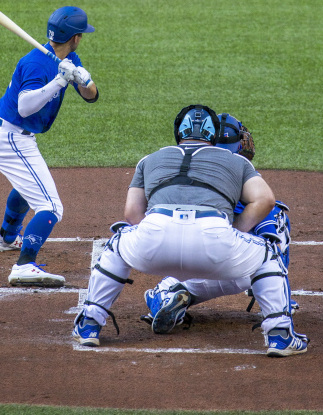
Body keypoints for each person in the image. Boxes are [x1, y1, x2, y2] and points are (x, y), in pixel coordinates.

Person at [72, 105, 308, 356]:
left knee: (117, 244)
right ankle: (280, 334)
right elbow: (266, 201)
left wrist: (157, 237)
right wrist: (235, 230)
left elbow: (131, 215)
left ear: (178, 132)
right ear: (213, 135)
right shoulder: (237, 162)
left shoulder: (149, 159)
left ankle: (89, 324)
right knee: (268, 254)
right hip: (216, 243)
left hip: (156, 236)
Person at [142, 112, 297, 323]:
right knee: (275, 218)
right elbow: (268, 218)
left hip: (180, 259)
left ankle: (166, 294)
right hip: (239, 266)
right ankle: (274, 296)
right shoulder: (245, 175)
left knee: (174, 280)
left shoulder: (183, 173)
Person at [0, 5, 98, 287]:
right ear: (75, 37)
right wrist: (59, 81)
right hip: (9, 137)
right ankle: (24, 266)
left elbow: (91, 96)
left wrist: (83, 79)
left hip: (15, 135)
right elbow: (24, 107)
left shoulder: (68, 57)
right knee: (51, 206)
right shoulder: (36, 64)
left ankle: (5, 238)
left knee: (30, 187)